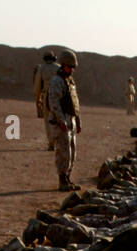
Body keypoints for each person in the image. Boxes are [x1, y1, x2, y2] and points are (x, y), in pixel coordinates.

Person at [46, 49, 81, 192]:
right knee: (63, 151)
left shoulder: (69, 81)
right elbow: (54, 102)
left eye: (73, 67)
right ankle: (62, 180)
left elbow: (75, 103)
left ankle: (67, 178)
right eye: (69, 67)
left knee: (72, 151)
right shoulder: (57, 81)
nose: (72, 69)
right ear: (63, 65)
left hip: (70, 120)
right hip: (61, 121)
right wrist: (61, 121)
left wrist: (78, 121)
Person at [33, 49, 58, 151]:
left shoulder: (41, 69)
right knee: (57, 119)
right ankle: (57, 141)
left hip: (47, 96)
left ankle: (51, 143)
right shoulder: (59, 68)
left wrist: (38, 97)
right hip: (58, 96)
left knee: (48, 120)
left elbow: (37, 85)